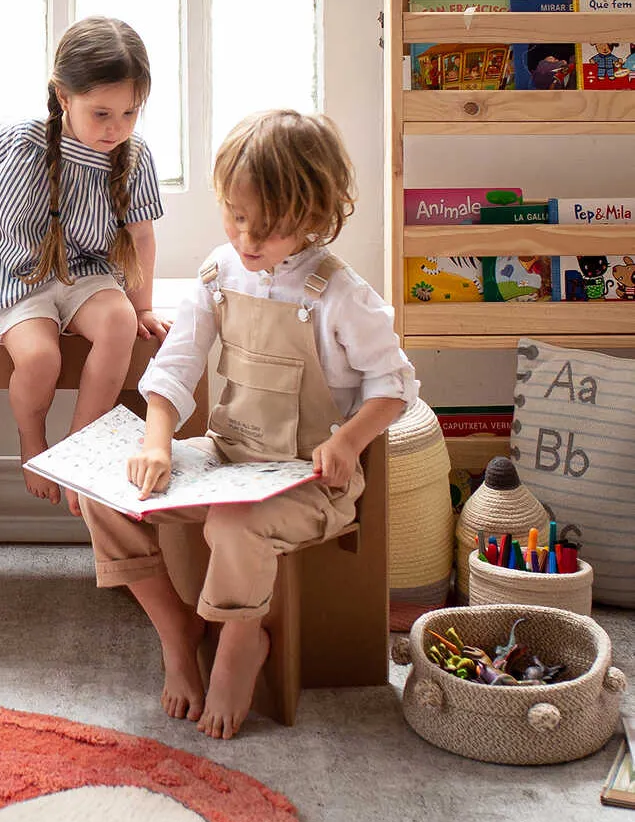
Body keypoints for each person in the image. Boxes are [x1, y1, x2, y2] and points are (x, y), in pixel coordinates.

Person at [79, 109, 419, 740]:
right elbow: (176, 366)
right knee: (103, 494)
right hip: (227, 457)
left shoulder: (341, 294)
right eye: (235, 217)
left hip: (309, 479)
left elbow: (394, 385)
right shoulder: (219, 272)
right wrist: (157, 442)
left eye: (269, 228)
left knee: (232, 523)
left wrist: (349, 440)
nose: (246, 239)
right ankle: (178, 631)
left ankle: (241, 640)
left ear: (315, 215)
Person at [0, 16, 170, 515]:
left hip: (86, 272)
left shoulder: (134, 157)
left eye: (129, 113)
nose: (116, 128)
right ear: (63, 97)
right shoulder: (20, 140)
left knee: (120, 321)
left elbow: (141, 236)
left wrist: (143, 306)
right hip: (14, 275)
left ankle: (80, 447)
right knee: (40, 358)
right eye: (101, 113)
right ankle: (32, 441)